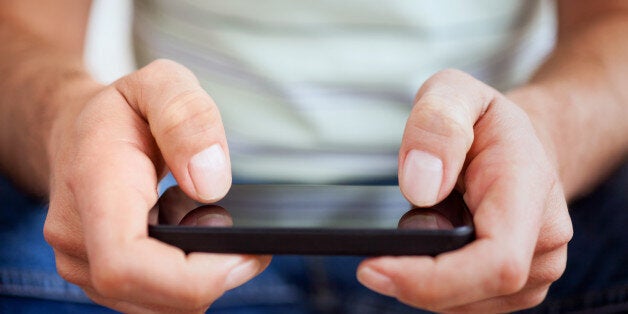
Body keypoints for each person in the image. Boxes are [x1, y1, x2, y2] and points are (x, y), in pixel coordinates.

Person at [0, 0, 627, 313]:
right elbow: (21, 28)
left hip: (498, 190)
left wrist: (545, 137)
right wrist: (68, 129)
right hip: (176, 198)